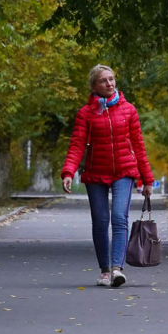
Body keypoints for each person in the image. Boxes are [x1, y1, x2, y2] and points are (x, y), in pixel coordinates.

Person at [61, 64, 154, 288]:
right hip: (95, 173)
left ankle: (116, 269)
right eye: (104, 81)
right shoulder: (86, 113)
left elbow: (139, 146)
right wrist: (68, 171)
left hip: (124, 171)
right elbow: (77, 145)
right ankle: (104, 270)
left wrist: (147, 179)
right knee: (101, 221)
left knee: (119, 218)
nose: (110, 84)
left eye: (112, 79)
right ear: (94, 86)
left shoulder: (128, 110)